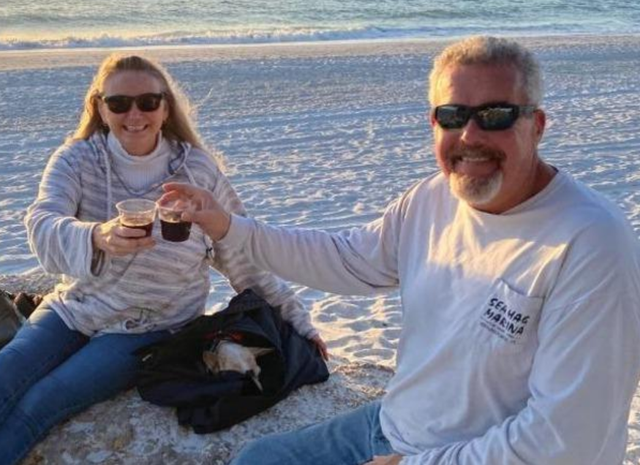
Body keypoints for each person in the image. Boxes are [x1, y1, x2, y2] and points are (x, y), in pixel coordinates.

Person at [160, 36, 640, 464]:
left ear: (536, 125)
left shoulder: (589, 242)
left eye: (495, 115)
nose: (471, 136)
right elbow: (346, 259)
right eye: (453, 116)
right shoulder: (432, 198)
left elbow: (567, 442)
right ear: (434, 123)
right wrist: (229, 227)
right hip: (393, 426)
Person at [0, 54, 326, 465]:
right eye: (119, 103)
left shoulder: (197, 170)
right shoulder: (77, 159)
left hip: (150, 326)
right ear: (100, 107)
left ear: (165, 108)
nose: (134, 114)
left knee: (41, 402)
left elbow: (239, 250)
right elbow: (41, 221)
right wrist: (97, 236)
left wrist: (297, 319)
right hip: (76, 307)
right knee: (6, 371)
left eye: (148, 102)